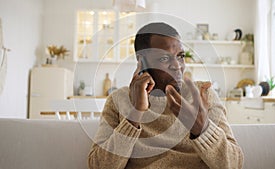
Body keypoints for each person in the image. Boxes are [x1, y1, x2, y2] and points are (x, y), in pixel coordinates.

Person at [88, 22, 244, 169]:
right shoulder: (118, 101)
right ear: (142, 62)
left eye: (180, 56)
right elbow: (99, 165)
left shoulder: (203, 94)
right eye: (164, 58)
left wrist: (202, 129)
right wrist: (135, 113)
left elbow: (234, 163)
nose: (177, 66)